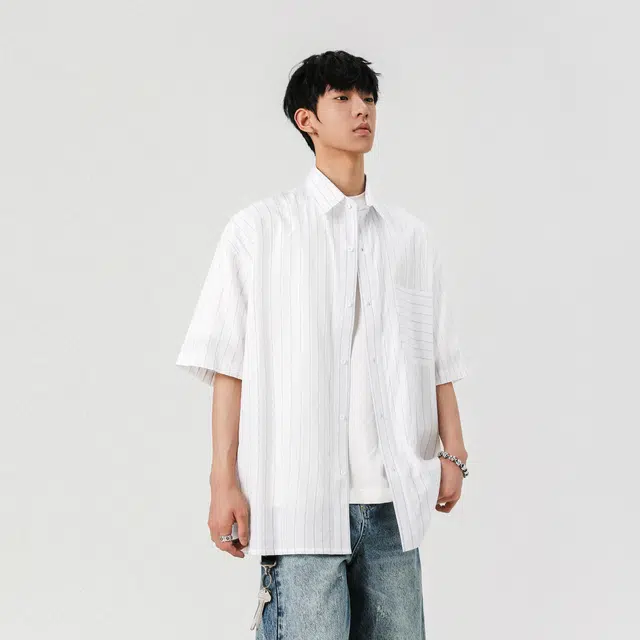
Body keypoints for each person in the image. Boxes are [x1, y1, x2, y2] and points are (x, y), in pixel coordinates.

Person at [175, 49, 471, 639]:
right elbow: (227, 364)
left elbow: (436, 355)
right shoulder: (259, 231)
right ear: (306, 119)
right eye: (343, 98)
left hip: (394, 504)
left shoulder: (410, 238)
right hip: (299, 501)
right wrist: (222, 480)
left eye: (368, 99)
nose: (362, 110)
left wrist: (454, 454)